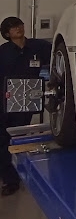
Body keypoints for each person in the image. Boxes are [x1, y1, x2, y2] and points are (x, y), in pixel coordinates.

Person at [0, 17, 51, 196]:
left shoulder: (39, 47)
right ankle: (10, 180)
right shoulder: (3, 52)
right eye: (13, 27)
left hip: (26, 103)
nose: (18, 28)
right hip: (4, 102)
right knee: (2, 139)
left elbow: (56, 60)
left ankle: (21, 173)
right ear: (7, 33)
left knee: (20, 139)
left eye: (19, 24)